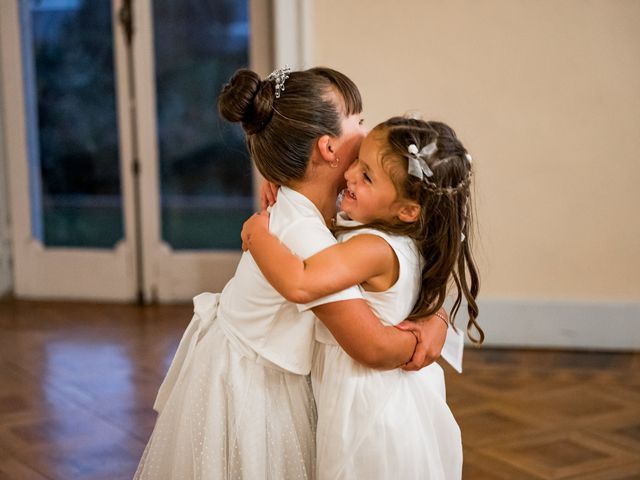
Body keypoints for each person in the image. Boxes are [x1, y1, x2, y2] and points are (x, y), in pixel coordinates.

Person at [134, 67, 448, 479]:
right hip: (251, 388)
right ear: (328, 148)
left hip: (262, 369)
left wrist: (435, 315)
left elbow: (416, 260)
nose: (367, 129)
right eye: (359, 120)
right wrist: (419, 343)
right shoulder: (303, 234)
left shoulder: (327, 205)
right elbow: (370, 345)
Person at [241, 116, 485, 479]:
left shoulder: (372, 247)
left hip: (367, 405)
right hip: (390, 396)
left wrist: (256, 233)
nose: (351, 173)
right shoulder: (402, 232)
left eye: (367, 175)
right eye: (357, 160)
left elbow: (301, 282)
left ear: (406, 209)